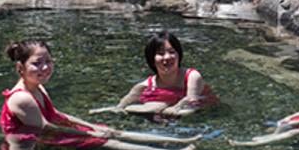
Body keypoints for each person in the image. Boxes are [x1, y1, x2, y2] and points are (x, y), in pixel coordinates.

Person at [0, 39, 199, 150]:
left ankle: (177, 139)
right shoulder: (22, 99)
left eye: (48, 61)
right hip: (37, 140)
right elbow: (47, 128)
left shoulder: (38, 86)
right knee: (108, 142)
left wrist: (91, 126)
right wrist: (91, 135)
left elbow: (57, 115)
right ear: (20, 68)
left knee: (112, 131)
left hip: (53, 132)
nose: (45, 68)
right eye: (37, 63)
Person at [90, 30, 218, 118]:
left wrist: (168, 108)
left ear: (179, 54)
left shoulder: (192, 76)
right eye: (161, 53)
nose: (167, 57)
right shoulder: (145, 86)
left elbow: (191, 106)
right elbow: (121, 107)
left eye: (172, 52)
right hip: (161, 115)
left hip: (203, 115)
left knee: (159, 106)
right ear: (152, 59)